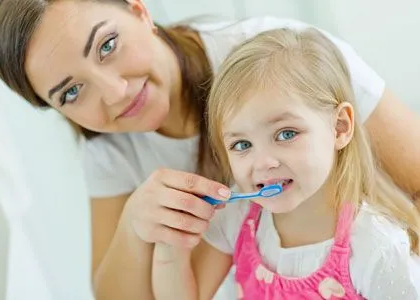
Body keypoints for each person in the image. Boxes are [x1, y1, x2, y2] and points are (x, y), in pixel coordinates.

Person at [0, 0, 420, 298]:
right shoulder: (110, 153)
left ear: (139, 11)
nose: (115, 93)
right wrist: (137, 224)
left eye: (107, 46)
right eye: (72, 91)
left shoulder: (278, 56)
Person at [152, 27, 420, 299]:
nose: (263, 162)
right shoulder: (238, 218)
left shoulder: (375, 248)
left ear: (339, 127)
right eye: (242, 145)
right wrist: (169, 245)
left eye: (286, 134)